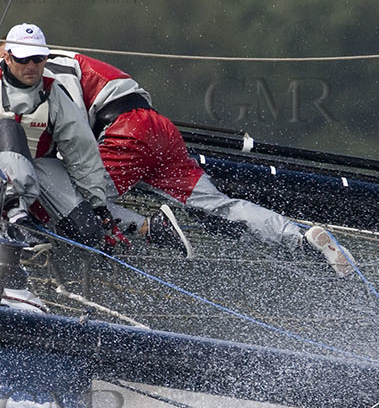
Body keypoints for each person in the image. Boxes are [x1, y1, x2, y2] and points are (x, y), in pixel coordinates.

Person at [45, 44, 355, 276]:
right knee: (219, 207)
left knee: (66, 197)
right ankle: (300, 240)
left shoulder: (49, 67)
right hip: (158, 129)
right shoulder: (67, 63)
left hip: (125, 131)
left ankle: (150, 228)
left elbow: (71, 127)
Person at [0, 23, 128, 249]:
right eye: (23, 59)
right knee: (9, 128)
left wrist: (98, 204)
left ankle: (50, 247)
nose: (31, 66)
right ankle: (16, 217)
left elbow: (81, 152)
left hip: (36, 169)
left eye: (38, 58)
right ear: (8, 58)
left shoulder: (55, 93)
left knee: (88, 233)